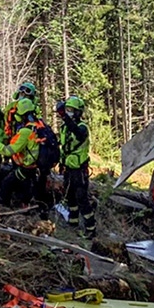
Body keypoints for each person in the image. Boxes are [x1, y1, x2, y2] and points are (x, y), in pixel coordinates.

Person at [0, 98, 56, 212]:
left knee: (7, 183)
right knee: (32, 190)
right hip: (40, 168)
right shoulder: (41, 125)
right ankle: (36, 207)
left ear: (21, 115)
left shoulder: (25, 131)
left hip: (28, 168)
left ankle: (3, 208)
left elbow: (8, 151)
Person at [59, 95, 95, 238]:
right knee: (69, 197)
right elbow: (64, 147)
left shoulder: (82, 127)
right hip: (68, 167)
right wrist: (61, 163)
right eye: (67, 109)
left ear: (78, 112)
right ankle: (73, 223)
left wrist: (65, 117)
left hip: (79, 170)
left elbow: (78, 134)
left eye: (71, 110)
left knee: (82, 198)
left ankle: (91, 228)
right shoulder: (64, 128)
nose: (68, 112)